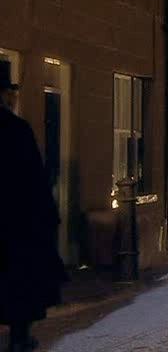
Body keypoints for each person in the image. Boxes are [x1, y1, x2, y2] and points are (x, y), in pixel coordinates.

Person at [0, 77, 67, 352]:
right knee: (19, 282)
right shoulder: (16, 130)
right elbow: (33, 178)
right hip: (17, 223)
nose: (14, 98)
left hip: (13, 219)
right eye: (10, 93)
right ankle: (19, 337)